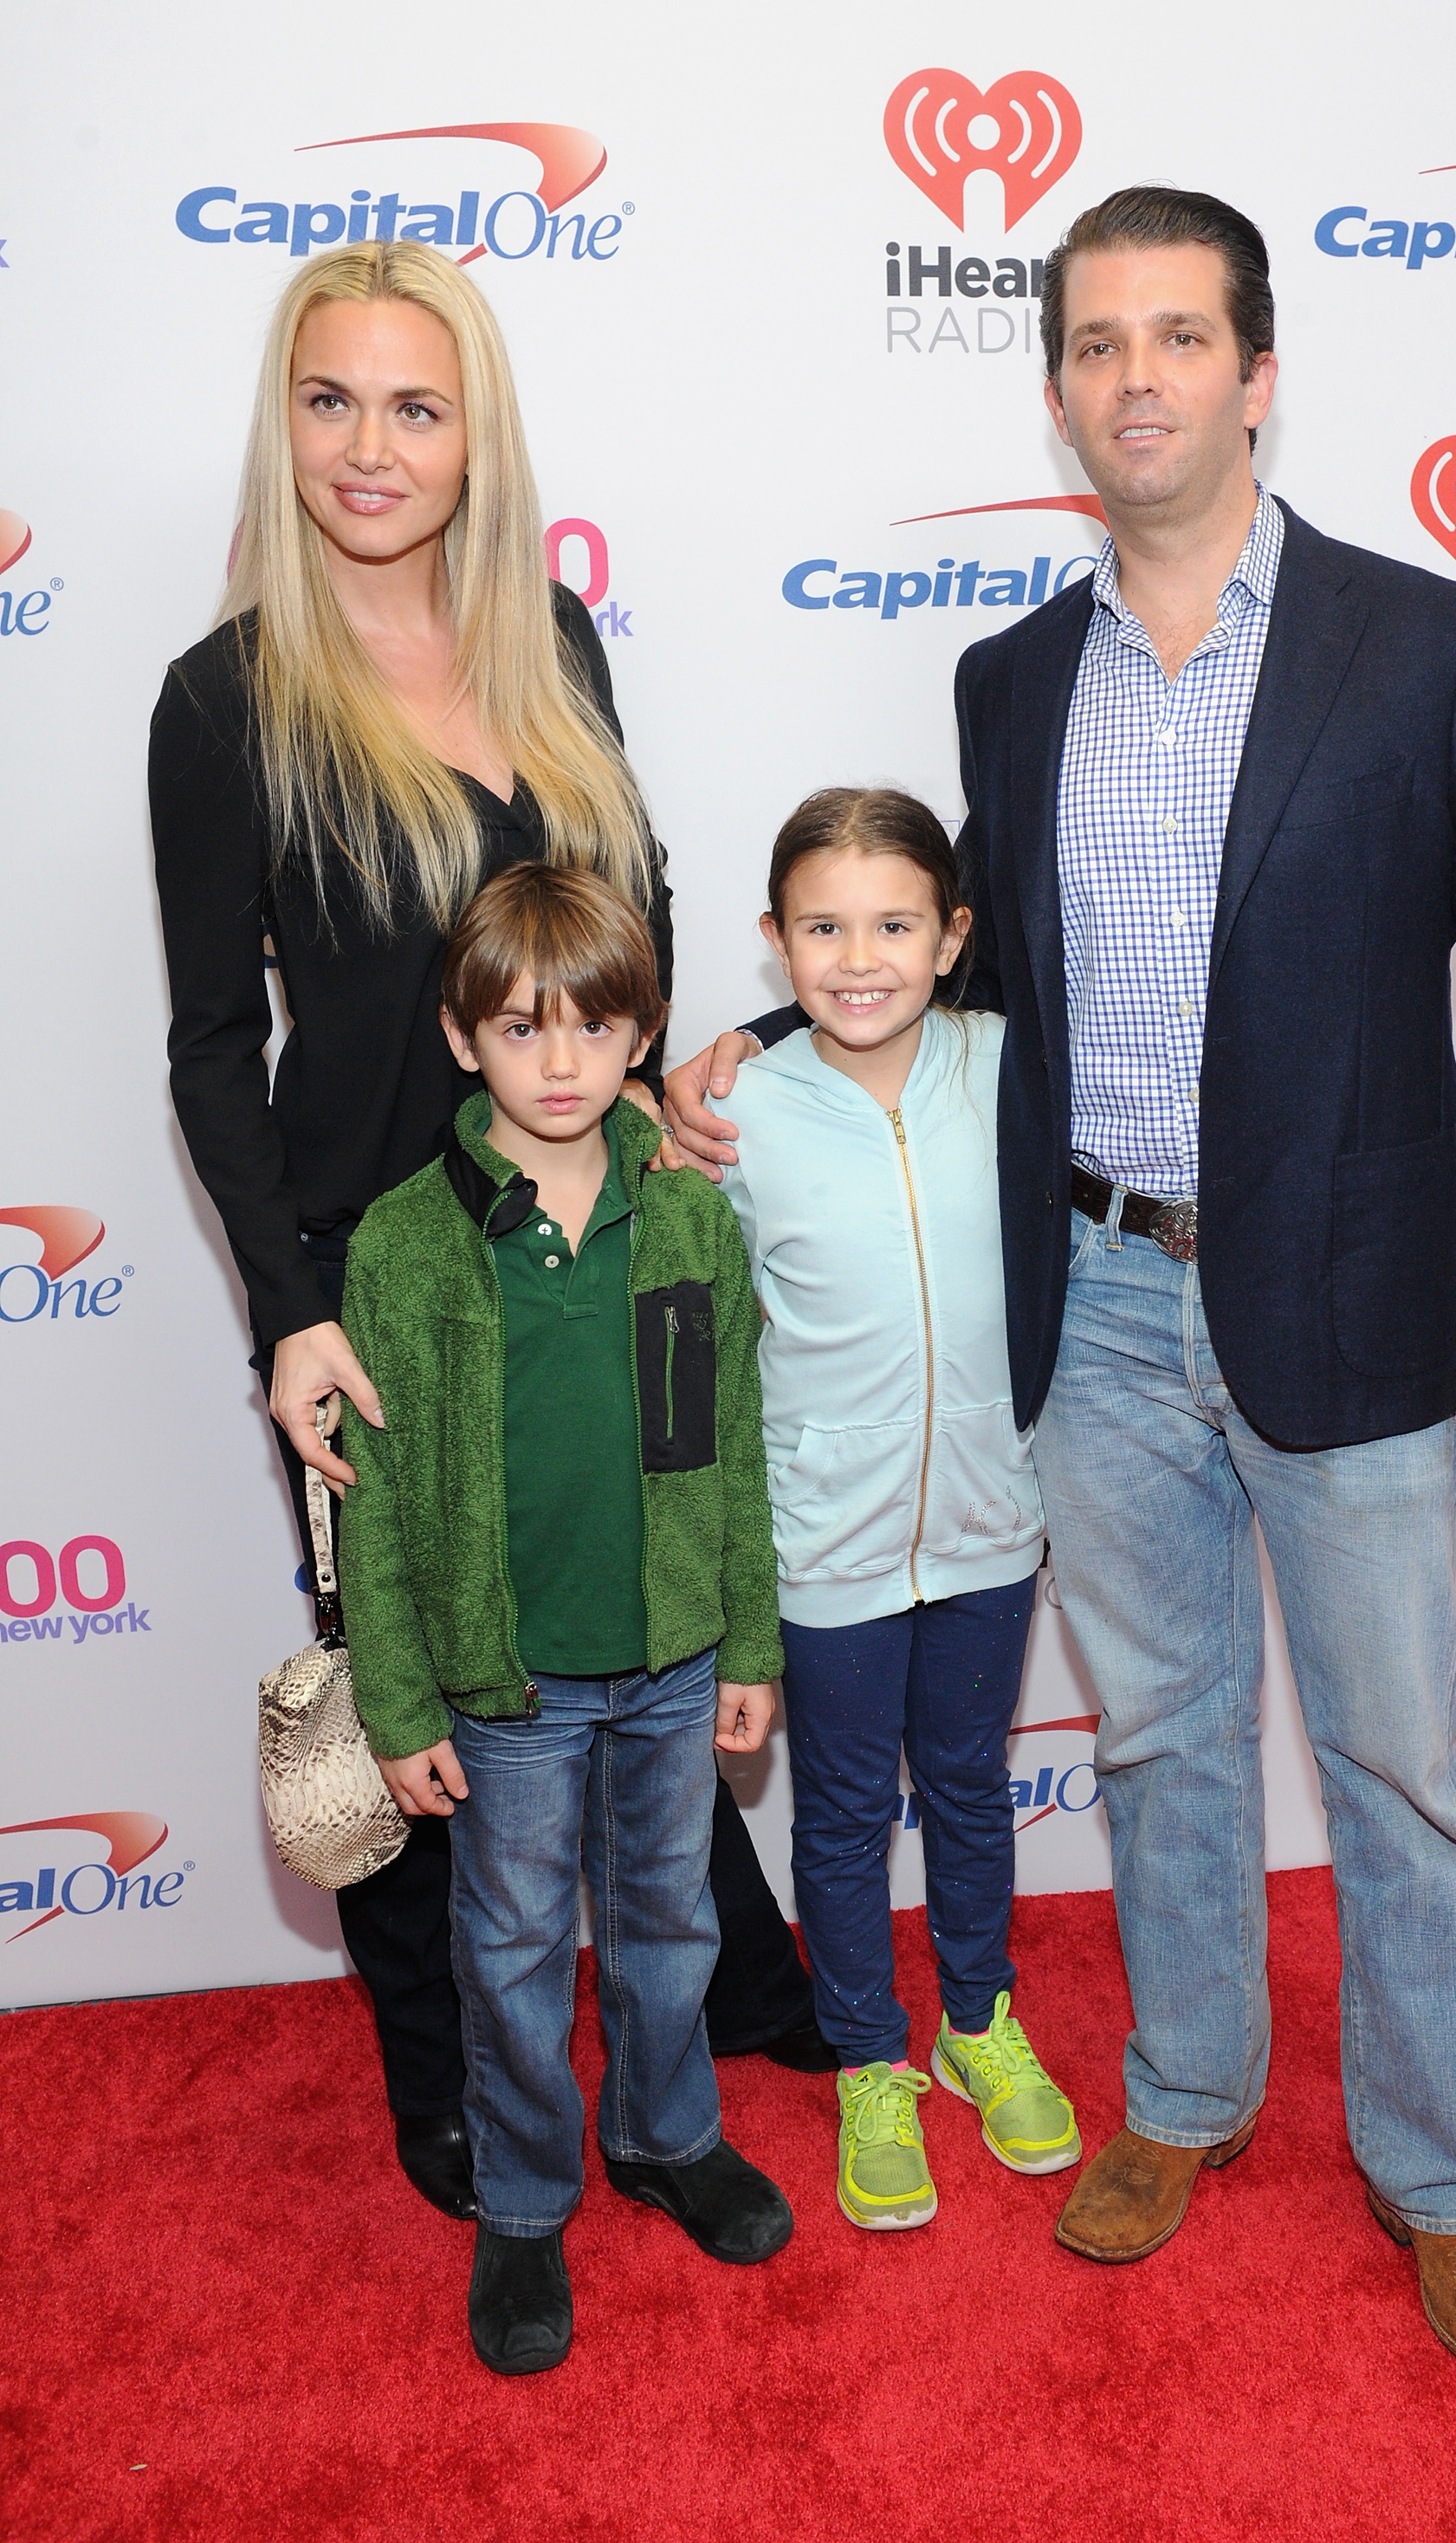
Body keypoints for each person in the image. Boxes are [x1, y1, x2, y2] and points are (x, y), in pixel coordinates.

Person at [665, 188, 1456, 2378]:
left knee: (1390, 1766)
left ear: (1254, 376)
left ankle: (1438, 2175)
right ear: (1059, 394)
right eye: (1097, 344)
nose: (1137, 379)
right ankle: (1188, 2090)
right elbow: (948, 967)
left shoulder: (1428, 647)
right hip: (1084, 1297)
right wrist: (766, 1043)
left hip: (1364, 1303)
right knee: (1168, 1731)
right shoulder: (1007, 677)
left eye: (1178, 337)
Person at [149, 239, 825, 2230]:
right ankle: (445, 2085)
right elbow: (208, 1047)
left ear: (476, 433)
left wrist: (634, 1100)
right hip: (393, 1284)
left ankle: (731, 2001)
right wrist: (288, 1313)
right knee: (431, 1689)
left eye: (416, 407)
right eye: (334, 402)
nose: (373, 448)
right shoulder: (228, 702)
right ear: (287, 426)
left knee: (649, 1606)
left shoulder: (549, 634)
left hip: (605, 1239)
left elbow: (634, 893)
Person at [339, 859, 793, 2374]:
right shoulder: (405, 1243)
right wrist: (400, 1704)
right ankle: (526, 2205)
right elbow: (378, 1497)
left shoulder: (685, 1219)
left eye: (594, 1030)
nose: (559, 1063)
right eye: (522, 1030)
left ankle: (668, 2137)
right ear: (464, 1039)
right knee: (516, 1944)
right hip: (508, 1684)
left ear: (641, 1038)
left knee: (671, 1919)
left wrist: (748, 1643)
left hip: (669, 1663)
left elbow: (723, 1445)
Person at [714, 789, 1077, 2230]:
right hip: (825, 1541)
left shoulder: (1008, 1067)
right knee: (849, 1812)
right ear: (773, 941)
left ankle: (976, 2023)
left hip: (993, 1518)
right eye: (821, 927)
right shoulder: (732, 1107)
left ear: (953, 937)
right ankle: (872, 2057)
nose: (857, 958)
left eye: (894, 924)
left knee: (976, 1787)